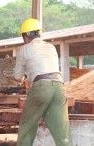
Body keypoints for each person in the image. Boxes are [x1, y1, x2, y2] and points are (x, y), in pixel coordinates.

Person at [14, 18, 73, 146]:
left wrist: (24, 76)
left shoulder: (23, 49)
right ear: (39, 33)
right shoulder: (51, 46)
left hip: (41, 88)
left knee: (27, 126)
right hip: (59, 88)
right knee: (63, 133)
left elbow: (17, 76)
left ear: (26, 36)